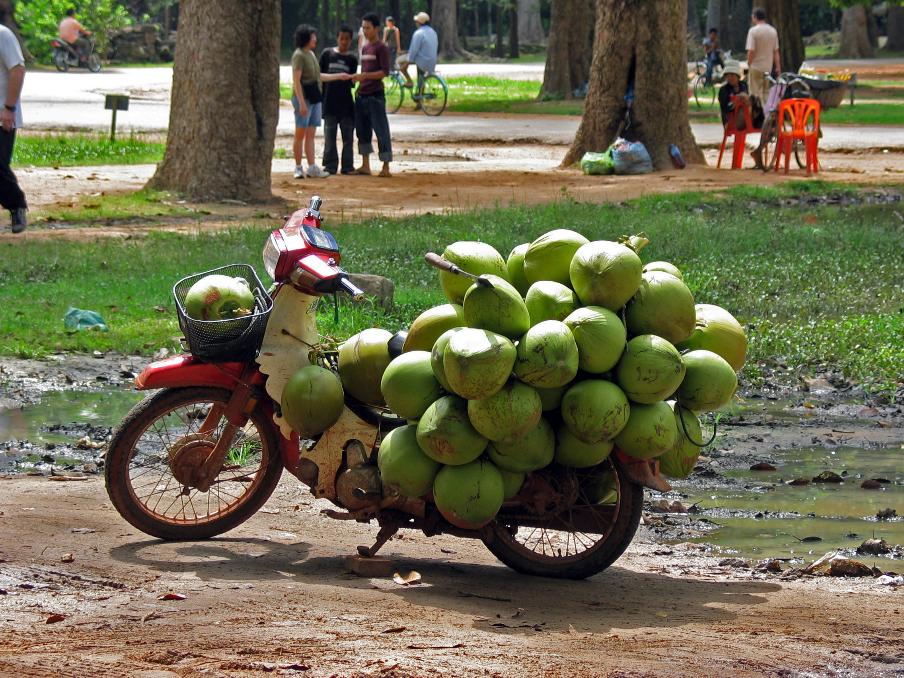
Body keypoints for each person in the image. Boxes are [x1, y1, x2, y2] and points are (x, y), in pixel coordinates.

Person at [291, 24, 337, 179]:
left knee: (310, 134)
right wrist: (301, 102)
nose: (315, 39)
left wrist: (339, 77)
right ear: (306, 38)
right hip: (304, 99)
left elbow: (318, 77)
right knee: (300, 133)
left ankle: (311, 167)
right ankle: (298, 167)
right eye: (313, 37)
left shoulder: (310, 54)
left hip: (315, 98)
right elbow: (296, 80)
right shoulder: (299, 55)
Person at [351, 13, 392, 178]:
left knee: (381, 130)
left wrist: (365, 77)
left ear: (376, 28)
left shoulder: (381, 48)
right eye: (363, 28)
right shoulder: (365, 48)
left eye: (368, 28)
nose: (365, 31)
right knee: (362, 130)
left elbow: (384, 72)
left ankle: (386, 166)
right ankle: (365, 164)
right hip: (362, 94)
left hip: (375, 95)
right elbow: (364, 70)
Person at [320, 25, 358, 176]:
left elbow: (352, 83)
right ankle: (330, 165)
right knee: (329, 136)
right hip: (329, 102)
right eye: (341, 38)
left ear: (350, 41)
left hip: (346, 104)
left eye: (347, 39)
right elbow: (319, 76)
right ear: (337, 38)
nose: (344, 42)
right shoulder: (327, 54)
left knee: (348, 137)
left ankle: (347, 166)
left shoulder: (352, 59)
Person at [0, 24, 26, 233]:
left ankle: (17, 205)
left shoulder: (3, 35)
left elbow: (17, 69)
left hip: (3, 115)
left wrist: (9, 108)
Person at [745, 7, 780, 104]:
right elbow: (776, 51)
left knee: (754, 92)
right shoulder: (773, 31)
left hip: (756, 67)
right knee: (765, 92)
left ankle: (756, 114)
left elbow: (751, 51)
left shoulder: (753, 31)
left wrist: (749, 63)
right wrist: (777, 67)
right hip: (767, 67)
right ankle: (766, 113)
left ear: (755, 17)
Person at [399, 11, 438, 91]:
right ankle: (420, 96)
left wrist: (408, 63)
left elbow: (414, 50)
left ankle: (409, 81)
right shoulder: (433, 32)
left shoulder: (418, 33)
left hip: (422, 61)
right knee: (421, 77)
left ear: (419, 22)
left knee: (400, 61)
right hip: (432, 61)